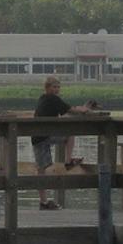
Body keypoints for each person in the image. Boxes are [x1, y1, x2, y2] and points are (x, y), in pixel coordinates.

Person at [30, 76, 100, 209]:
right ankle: (68, 161)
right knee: (69, 134)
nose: (57, 89)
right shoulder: (53, 99)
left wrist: (82, 109)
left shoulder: (43, 98)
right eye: (54, 87)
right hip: (44, 136)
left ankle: (43, 202)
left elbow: (67, 110)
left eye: (58, 87)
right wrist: (85, 109)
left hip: (37, 136)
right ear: (47, 88)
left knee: (41, 169)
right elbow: (71, 110)